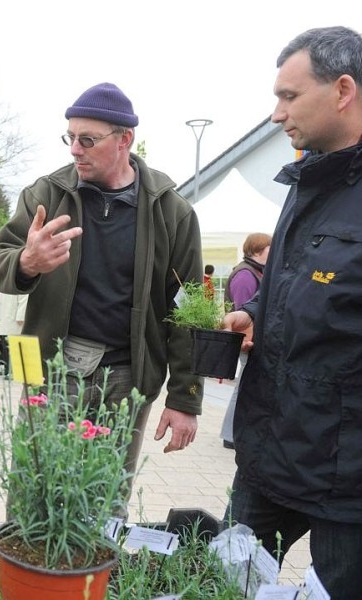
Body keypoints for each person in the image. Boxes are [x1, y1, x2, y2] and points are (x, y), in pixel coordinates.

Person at [0, 82, 204, 480]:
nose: (74, 149)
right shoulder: (47, 194)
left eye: (88, 139)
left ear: (125, 139)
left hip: (128, 376)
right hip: (52, 368)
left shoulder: (171, 211)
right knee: (36, 492)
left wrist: (185, 399)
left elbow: (188, 309)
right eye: (70, 138)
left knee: (105, 500)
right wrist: (27, 261)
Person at [221, 27, 362, 599]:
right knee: (222, 581)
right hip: (270, 451)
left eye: (289, 96)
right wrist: (254, 312)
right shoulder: (306, 183)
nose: (277, 115)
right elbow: (287, 283)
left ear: (344, 90)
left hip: (348, 477)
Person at [219, 233, 271, 450]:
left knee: (244, 385)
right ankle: (231, 434)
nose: (273, 250)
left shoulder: (255, 272)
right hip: (245, 338)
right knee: (243, 385)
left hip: (251, 338)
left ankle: (233, 432)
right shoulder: (245, 274)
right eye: (270, 247)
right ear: (257, 249)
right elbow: (243, 307)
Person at [0, 292, 27, 378]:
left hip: (13, 319)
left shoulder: (18, 281)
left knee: (12, 347)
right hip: (4, 317)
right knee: (5, 345)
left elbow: (24, 298)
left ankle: (13, 371)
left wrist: (21, 316)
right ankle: (7, 368)